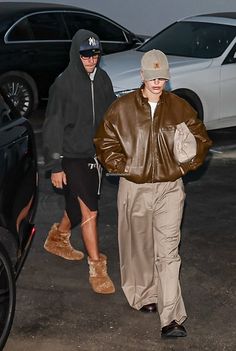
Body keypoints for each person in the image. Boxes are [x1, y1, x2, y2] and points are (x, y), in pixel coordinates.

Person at [94, 50, 212, 336]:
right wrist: (125, 166)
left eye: (161, 77)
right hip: (134, 187)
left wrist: (186, 165)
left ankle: (172, 318)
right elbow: (104, 140)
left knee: (168, 252)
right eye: (152, 77)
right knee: (138, 246)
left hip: (170, 188)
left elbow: (201, 139)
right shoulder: (121, 108)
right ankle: (145, 294)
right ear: (142, 76)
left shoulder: (179, 107)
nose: (157, 82)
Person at [42, 29, 116, 295]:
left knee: (76, 206)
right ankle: (97, 267)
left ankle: (57, 238)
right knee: (90, 212)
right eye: (85, 54)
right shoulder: (63, 84)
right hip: (71, 156)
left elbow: (112, 115)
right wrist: (55, 166)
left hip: (95, 156)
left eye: (95, 54)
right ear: (76, 53)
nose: (91, 60)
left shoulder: (104, 79)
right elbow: (52, 126)